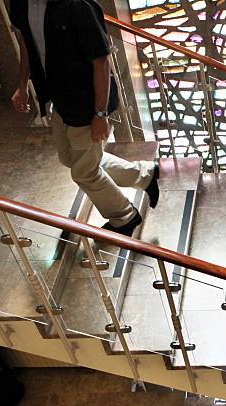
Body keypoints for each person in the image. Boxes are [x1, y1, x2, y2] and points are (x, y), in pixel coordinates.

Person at [9, 0, 159, 237]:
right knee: (69, 158)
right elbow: (27, 44)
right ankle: (144, 175)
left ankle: (125, 217)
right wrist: (22, 85)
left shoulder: (77, 5)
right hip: (57, 97)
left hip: (86, 103)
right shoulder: (20, 4)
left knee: (83, 172)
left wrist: (99, 114)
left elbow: (101, 60)